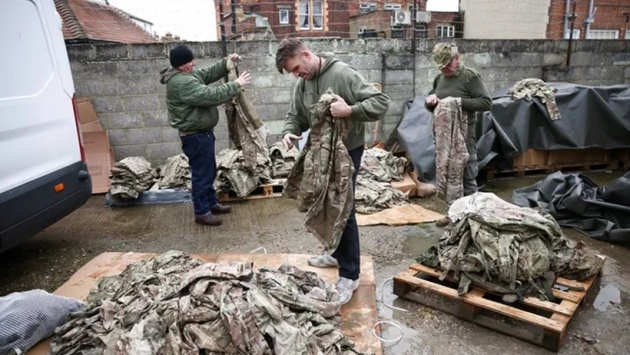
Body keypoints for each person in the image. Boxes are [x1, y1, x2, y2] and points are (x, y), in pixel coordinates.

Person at [275, 38, 390, 304]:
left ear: (306, 54)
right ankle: (336, 254)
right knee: (326, 205)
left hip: (346, 153)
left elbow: (380, 102)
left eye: (296, 69)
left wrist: (350, 109)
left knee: (344, 209)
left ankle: (350, 274)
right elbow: (296, 116)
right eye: (292, 72)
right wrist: (290, 132)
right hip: (321, 155)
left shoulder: (343, 74)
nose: (296, 75)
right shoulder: (303, 84)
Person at [160, 44, 252, 226]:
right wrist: (236, 84)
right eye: (189, 62)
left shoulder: (187, 75)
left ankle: (211, 203)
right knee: (202, 174)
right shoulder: (181, 83)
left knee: (208, 171)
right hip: (196, 137)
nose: (193, 64)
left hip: (201, 135)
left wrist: (227, 62)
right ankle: (202, 212)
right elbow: (211, 95)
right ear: (180, 65)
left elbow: (208, 74)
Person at [424, 43, 492, 227]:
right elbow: (434, 104)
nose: (444, 69)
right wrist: (430, 102)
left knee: (467, 174)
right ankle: (452, 213)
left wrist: (458, 103)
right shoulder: (439, 79)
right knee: (447, 175)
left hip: (464, 135)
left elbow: (486, 103)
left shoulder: (470, 77)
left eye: (447, 65)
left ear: (457, 59)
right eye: (441, 66)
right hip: (444, 138)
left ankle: (472, 219)